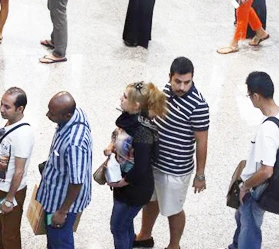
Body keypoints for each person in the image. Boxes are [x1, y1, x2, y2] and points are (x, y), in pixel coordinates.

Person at [134, 57, 210, 249]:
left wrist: (200, 174)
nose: (182, 87)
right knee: (150, 201)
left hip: (176, 169)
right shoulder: (166, 91)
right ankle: (144, 235)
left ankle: (174, 245)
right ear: (170, 77)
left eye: (187, 82)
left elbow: (202, 141)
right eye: (178, 81)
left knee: (173, 210)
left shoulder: (198, 105)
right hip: (154, 162)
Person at [227, 71, 279, 249]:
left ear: (256, 96)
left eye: (249, 95)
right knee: (242, 218)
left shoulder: (267, 130)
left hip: (256, 188)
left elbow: (266, 170)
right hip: (263, 183)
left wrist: (245, 186)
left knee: (250, 227)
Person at [105, 81, 166, 249]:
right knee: (125, 223)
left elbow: (141, 168)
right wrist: (111, 146)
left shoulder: (142, 132)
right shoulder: (128, 119)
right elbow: (118, 133)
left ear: (136, 105)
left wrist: (121, 183)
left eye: (125, 96)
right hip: (123, 182)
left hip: (134, 188)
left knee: (117, 227)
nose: (120, 98)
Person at [37, 92, 92, 248]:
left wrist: (62, 212)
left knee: (60, 239)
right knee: (53, 237)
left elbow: (76, 182)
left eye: (52, 114)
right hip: (55, 193)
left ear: (67, 115)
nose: (47, 115)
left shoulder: (75, 144)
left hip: (62, 203)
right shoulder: (76, 113)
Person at [0, 87, 34, 249]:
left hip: (10, 192)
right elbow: (2, 153)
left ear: (20, 109)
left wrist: (9, 199)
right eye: (1, 104)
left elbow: (19, 171)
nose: (1, 109)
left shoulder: (23, 135)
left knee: (10, 235)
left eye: (7, 107)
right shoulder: (9, 124)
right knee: (0, 226)